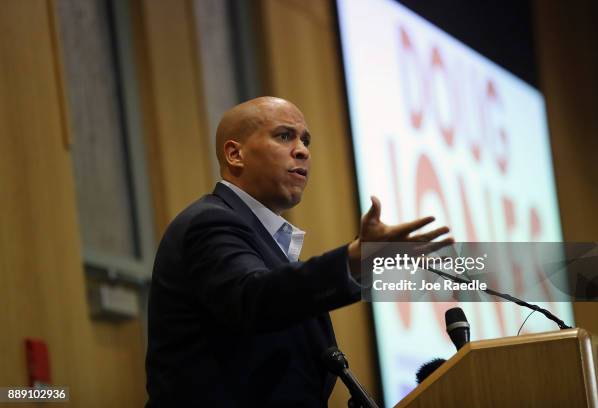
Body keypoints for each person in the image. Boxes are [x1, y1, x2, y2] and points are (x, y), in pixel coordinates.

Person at [145, 96, 452, 407]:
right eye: (284, 136)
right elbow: (255, 298)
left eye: (305, 140)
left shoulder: (264, 240)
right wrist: (354, 259)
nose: (303, 150)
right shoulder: (211, 222)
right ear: (235, 154)